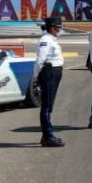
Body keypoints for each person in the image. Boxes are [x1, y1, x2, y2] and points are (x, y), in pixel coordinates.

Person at [32, 17, 65, 147]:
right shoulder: (45, 40)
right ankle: (47, 136)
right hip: (48, 73)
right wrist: (35, 76)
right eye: (58, 27)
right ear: (51, 27)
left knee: (49, 105)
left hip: (54, 72)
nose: (60, 30)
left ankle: (47, 135)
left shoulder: (51, 39)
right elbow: (40, 60)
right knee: (46, 106)